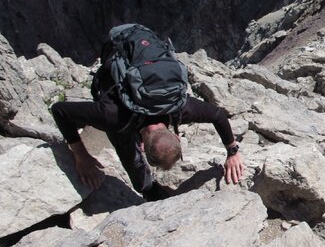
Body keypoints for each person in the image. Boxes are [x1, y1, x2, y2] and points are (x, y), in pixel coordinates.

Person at [51, 65, 244, 202]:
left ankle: (149, 191)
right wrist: (80, 154)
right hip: (111, 80)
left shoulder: (177, 107)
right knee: (124, 145)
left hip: (147, 73)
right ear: (141, 147)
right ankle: (148, 190)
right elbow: (59, 110)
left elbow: (218, 115)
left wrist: (233, 151)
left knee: (128, 150)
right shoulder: (113, 116)